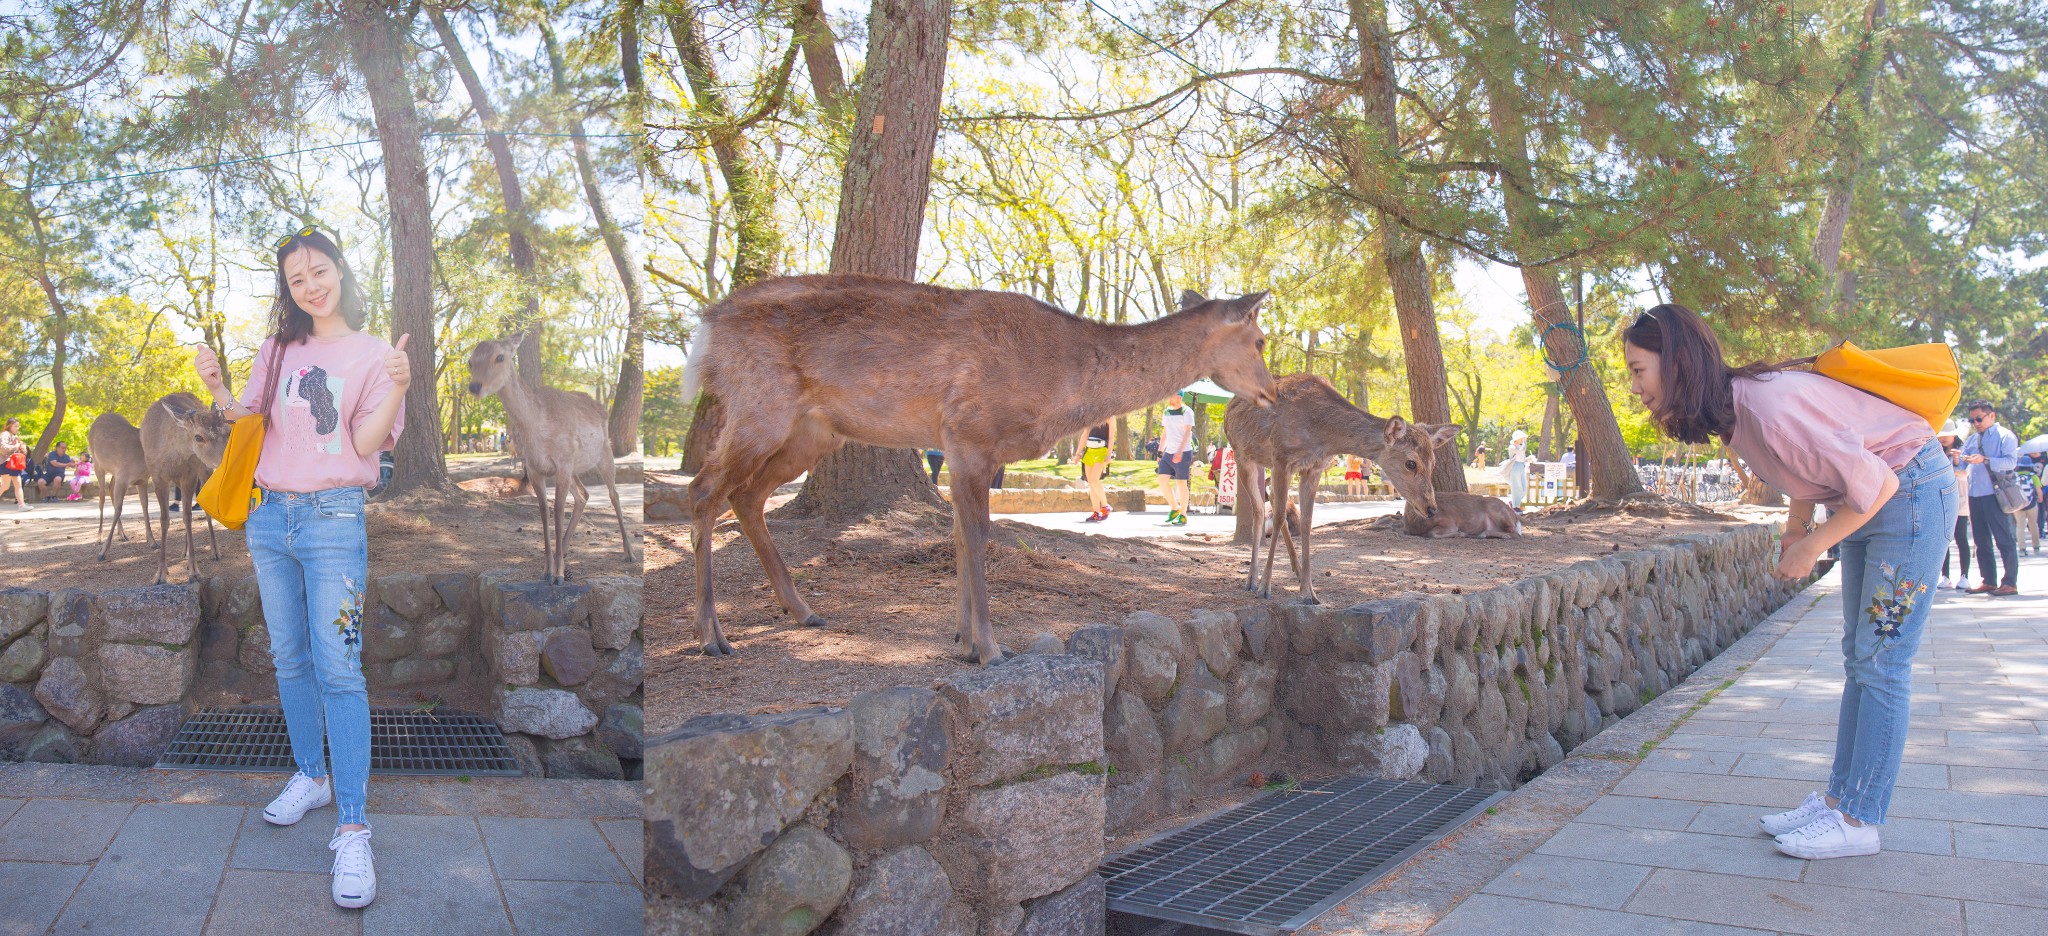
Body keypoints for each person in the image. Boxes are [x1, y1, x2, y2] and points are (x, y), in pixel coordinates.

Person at [1624, 303, 1944, 861]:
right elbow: (1811, 469)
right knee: (1861, 658)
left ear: (1673, 363)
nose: (1633, 386)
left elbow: (1880, 482)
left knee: (1881, 663)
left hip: (1909, 497)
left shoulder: (1763, 406)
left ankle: (1859, 819)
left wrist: (1815, 545)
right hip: (1873, 502)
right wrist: (1795, 527)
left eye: (1637, 370)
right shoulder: (1734, 410)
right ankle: (1840, 800)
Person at [192, 225, 406, 909]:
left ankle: (352, 826)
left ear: (340, 270)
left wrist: (399, 386)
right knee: (289, 658)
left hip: (335, 519)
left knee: (339, 666)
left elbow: (365, 440)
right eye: (296, 279)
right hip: (268, 518)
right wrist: (217, 383)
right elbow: (244, 419)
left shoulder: (375, 353)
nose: (310, 285)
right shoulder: (280, 348)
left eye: (319, 271)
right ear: (289, 290)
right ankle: (310, 776)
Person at [1960, 400, 2019, 596]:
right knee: (1981, 540)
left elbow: (2010, 462)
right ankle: (1989, 580)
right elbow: (1961, 465)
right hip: (1975, 494)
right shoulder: (1972, 439)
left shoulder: (2005, 436)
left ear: (1991, 415)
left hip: (1996, 494)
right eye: (1972, 420)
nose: (1976, 423)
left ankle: (2010, 581)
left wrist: (1985, 459)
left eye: (1979, 418)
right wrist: (1958, 458)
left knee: (2004, 539)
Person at [1939, 430, 1973, 590]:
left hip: (1959, 499)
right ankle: (1945, 575)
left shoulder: (1964, 450)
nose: (1944, 438)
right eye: (1941, 434)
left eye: (1947, 434)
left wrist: (1957, 460)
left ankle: (1964, 575)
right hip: (1940, 500)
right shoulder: (1936, 452)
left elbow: (1965, 471)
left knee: (1961, 537)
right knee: (1943, 539)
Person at [1156, 393, 1195, 526]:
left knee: (1181, 483)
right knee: (1162, 479)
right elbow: (1165, 433)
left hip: (1183, 451)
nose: (1168, 397)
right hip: (1169, 452)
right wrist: (1160, 451)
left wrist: (1179, 451)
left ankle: (1183, 515)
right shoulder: (1166, 411)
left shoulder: (1187, 411)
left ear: (1179, 397)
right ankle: (1174, 507)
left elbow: (1187, 432)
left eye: (1171, 395)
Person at [1075, 422, 1112, 522]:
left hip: (1101, 450)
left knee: (1094, 479)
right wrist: (1078, 453)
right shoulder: (1092, 415)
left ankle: (1105, 506)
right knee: (1090, 482)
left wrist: (1109, 454)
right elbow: (1085, 434)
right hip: (1089, 450)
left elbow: (1111, 436)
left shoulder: (1110, 416)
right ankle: (1096, 512)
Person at [2014, 453, 2041, 556]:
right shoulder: (2033, 476)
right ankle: (2036, 546)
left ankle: (2022, 549)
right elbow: (2038, 491)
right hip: (2032, 504)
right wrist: (2040, 499)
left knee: (2020, 526)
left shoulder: (2015, 476)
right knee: (2033, 524)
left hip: (2018, 505)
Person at [0, 418, 29, 510]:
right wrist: (16, 446)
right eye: (15, 426)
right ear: (9, 426)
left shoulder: (14, 436)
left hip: (14, 463)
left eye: (18, 426)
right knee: (5, 486)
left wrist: (22, 448)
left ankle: (21, 505)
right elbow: (3, 447)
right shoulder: (5, 434)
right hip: (6, 462)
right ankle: (22, 505)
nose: (18, 428)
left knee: (18, 484)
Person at [1505, 429, 1534, 509]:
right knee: (1516, 487)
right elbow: (1518, 452)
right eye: (1521, 438)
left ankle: (1515, 503)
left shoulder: (1521, 447)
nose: (1522, 440)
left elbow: (1521, 458)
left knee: (1524, 487)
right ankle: (1515, 506)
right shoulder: (1512, 447)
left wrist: (1528, 459)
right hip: (1514, 467)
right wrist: (1525, 444)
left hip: (1521, 466)